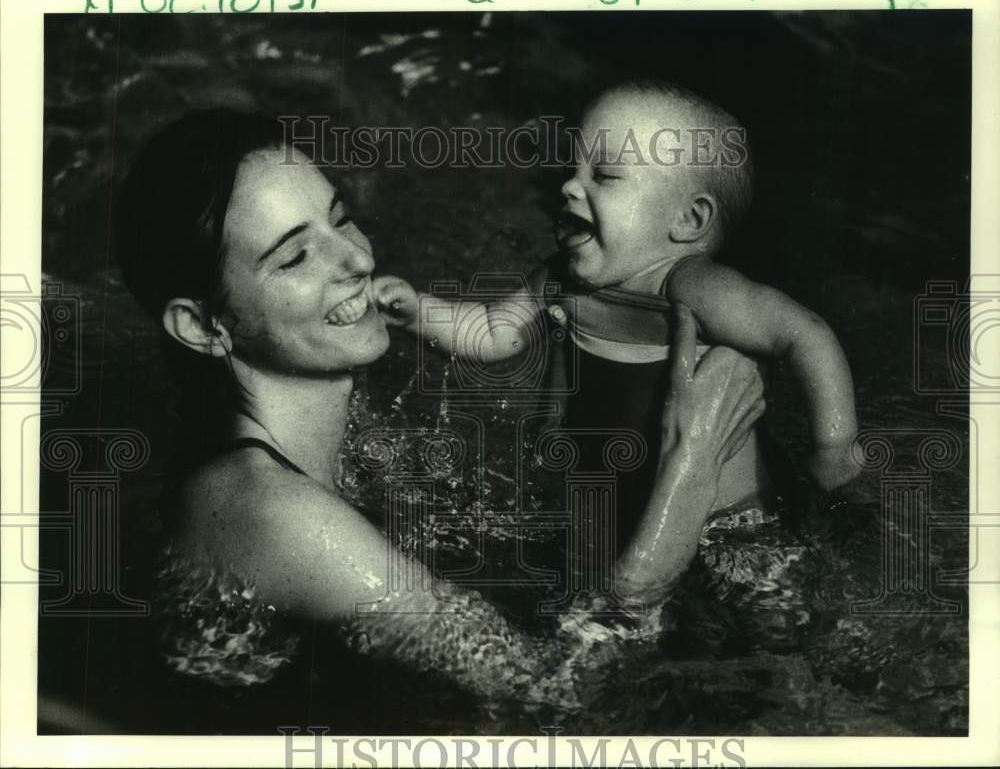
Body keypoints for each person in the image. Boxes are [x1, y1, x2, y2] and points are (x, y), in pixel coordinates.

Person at [115, 108, 765, 707]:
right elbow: (556, 690)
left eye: (339, 218)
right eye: (295, 256)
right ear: (202, 327)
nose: (358, 259)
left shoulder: (322, 437)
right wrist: (692, 463)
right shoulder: (275, 515)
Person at [378, 80, 860, 548]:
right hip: (611, 507)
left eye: (604, 176)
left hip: (731, 521)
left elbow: (804, 334)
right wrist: (412, 311)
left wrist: (834, 452)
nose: (569, 185)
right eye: (573, 168)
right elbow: (490, 334)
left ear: (687, 221)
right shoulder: (559, 279)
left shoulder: (689, 286)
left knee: (761, 611)